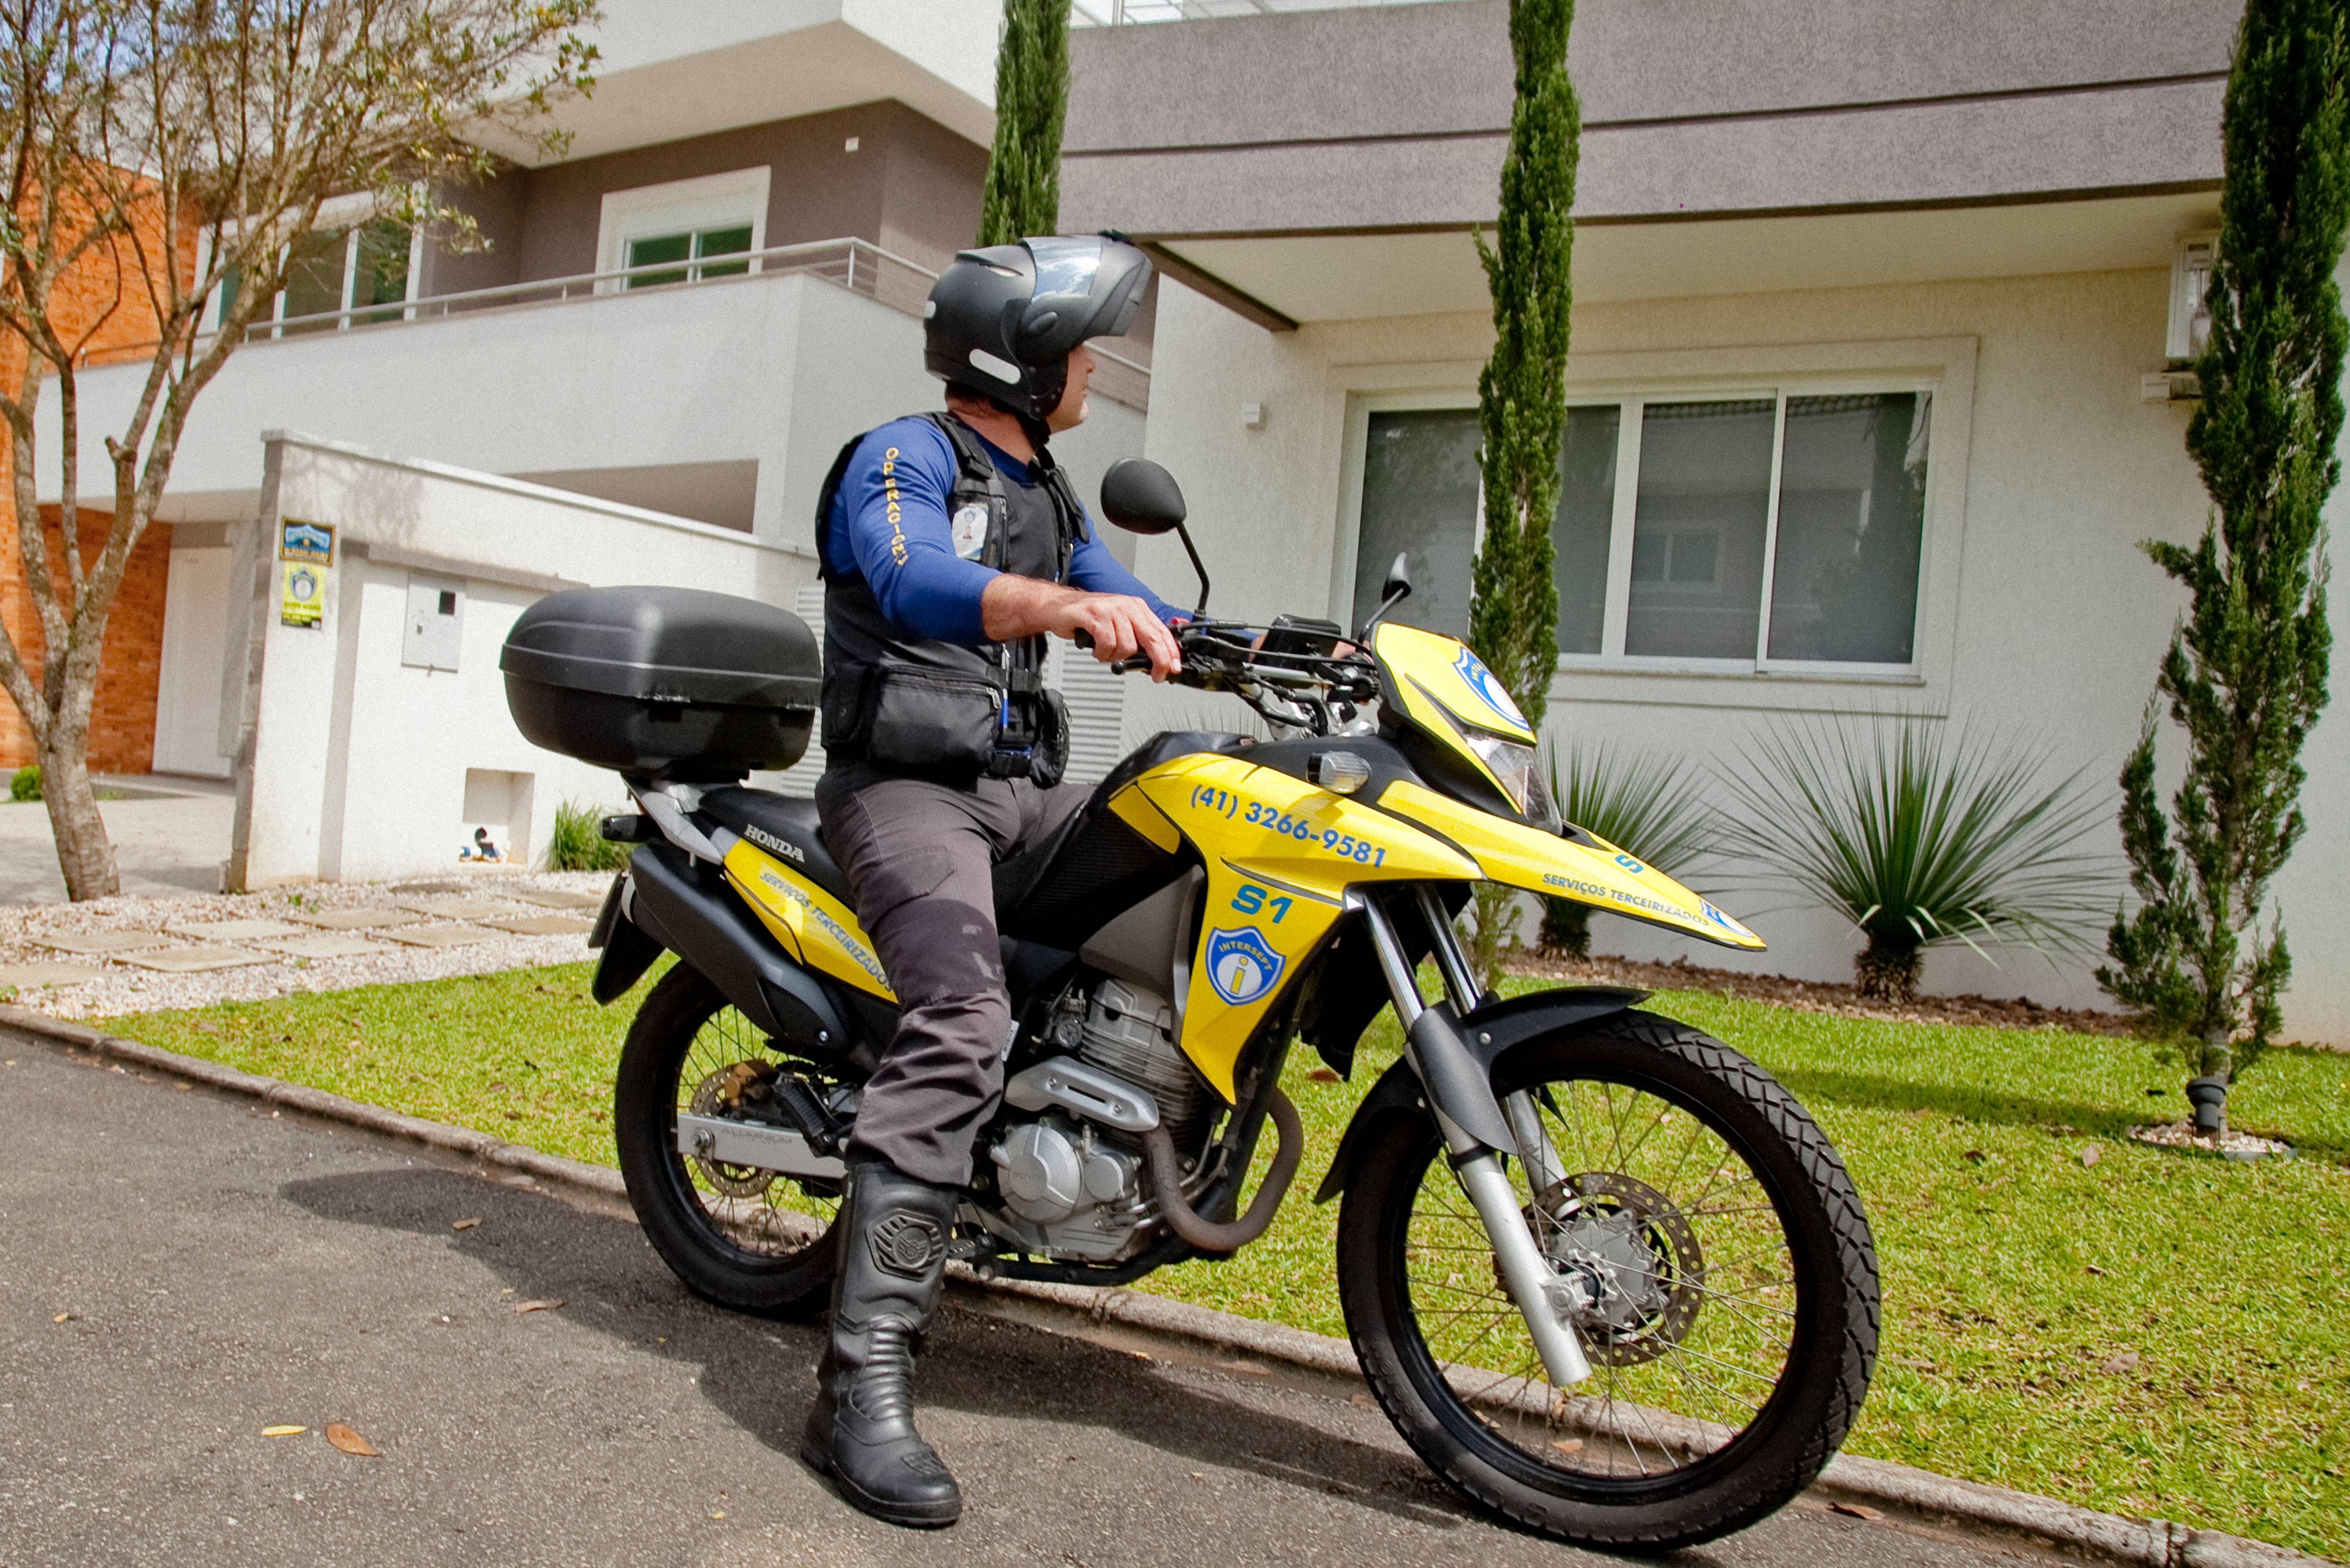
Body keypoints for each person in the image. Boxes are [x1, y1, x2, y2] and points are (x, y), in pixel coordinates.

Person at [801, 234, 1183, 1528]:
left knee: (1192, 853)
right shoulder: (898, 456)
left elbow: (1137, 606)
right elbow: (912, 579)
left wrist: (1293, 647)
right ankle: (858, 1386)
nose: (1096, 368)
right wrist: (1059, 609)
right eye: (1081, 349)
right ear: (1019, 362)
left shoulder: (1051, 496)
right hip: (904, 794)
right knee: (962, 1018)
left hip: (1019, 799)